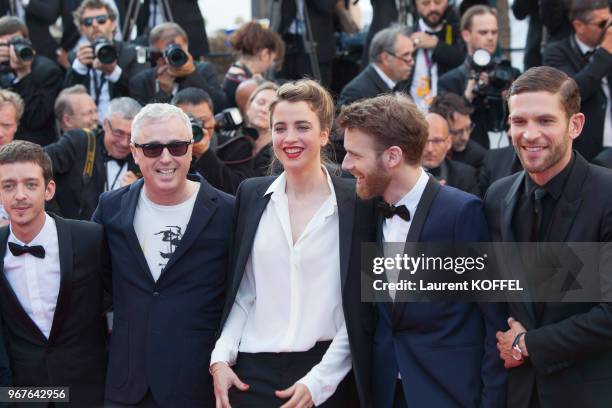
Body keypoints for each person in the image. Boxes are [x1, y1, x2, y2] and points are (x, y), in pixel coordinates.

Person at [209, 79, 374, 407]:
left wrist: (320, 380)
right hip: (251, 375)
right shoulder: (252, 194)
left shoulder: (357, 201)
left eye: (302, 126)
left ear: (324, 133)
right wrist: (220, 360)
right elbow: (245, 293)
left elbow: (359, 306)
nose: (290, 138)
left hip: (329, 374)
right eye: (280, 128)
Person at [338, 92, 507, 407]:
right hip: (385, 392)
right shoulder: (366, 211)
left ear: (392, 157)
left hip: (448, 392)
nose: (346, 165)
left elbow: (493, 319)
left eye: (354, 155)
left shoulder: (461, 212)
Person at [485, 66, 612, 408]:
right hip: (519, 393)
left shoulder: (607, 195)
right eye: (518, 121)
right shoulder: (497, 197)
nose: (529, 134)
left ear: (576, 125)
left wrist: (528, 345)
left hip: (590, 394)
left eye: (545, 121)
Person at [93, 103, 234, 406]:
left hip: (198, 384)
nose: (166, 158)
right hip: (128, 385)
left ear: (191, 149)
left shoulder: (228, 211)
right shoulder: (110, 208)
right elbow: (94, 281)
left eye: (177, 146)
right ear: (134, 152)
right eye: (153, 149)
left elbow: (244, 293)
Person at [0, 140, 108, 406]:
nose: (20, 195)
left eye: (31, 184)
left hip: (89, 392)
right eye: (8, 186)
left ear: (49, 189)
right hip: (23, 397)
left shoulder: (90, 239)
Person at [45, 96, 141, 220]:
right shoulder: (80, 142)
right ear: (105, 124)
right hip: (73, 234)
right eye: (118, 133)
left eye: (131, 136)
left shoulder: (143, 157)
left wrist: (138, 193)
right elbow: (36, 165)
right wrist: (56, 219)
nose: (124, 143)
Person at [438, 5, 520, 149]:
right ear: (466, 35)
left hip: (509, 153)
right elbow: (446, 127)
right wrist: (466, 98)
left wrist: (511, 102)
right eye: (483, 32)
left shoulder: (512, 74)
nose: (490, 37)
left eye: (494, 32)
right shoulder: (449, 81)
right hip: (470, 157)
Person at [543, 0, 612, 161]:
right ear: (579, 26)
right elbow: (572, 92)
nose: (608, 29)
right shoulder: (556, 52)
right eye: (602, 24)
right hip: (585, 150)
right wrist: (606, 51)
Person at [64, 0, 146, 122]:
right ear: (81, 29)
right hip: (87, 129)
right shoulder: (76, 57)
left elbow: (141, 96)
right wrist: (78, 68)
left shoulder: (132, 53)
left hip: (123, 127)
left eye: (101, 19)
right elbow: (65, 100)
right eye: (87, 22)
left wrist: (113, 72)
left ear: (113, 24)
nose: (95, 25)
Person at [171, 87, 254, 194]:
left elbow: (239, 191)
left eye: (202, 120)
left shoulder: (236, 146)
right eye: (188, 121)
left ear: (214, 120)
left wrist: (205, 154)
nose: (196, 127)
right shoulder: (164, 149)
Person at [129, 22, 227, 112]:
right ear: (153, 54)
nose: (170, 59)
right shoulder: (140, 81)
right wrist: (163, 93)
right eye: (163, 54)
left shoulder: (204, 70)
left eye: (177, 51)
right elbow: (141, 121)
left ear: (187, 48)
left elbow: (219, 106)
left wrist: (192, 74)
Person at [0, 16, 62, 146]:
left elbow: (36, 120)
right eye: (5, 45)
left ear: (27, 42)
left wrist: (24, 74)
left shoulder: (47, 71)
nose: (11, 50)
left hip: (32, 148)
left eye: (15, 43)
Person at [408, 0, 465, 113]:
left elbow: (464, 60)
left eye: (438, 2)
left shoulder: (459, 32)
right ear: (415, 5)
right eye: (425, 3)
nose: (432, 8)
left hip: (448, 113)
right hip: (412, 115)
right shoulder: (405, 35)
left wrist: (436, 45)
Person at [338, 25, 414, 108]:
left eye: (411, 55)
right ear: (385, 58)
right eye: (406, 55)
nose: (412, 62)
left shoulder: (399, 83)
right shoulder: (357, 93)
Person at [223, 21, 284, 108]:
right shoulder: (247, 85)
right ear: (265, 54)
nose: (271, 64)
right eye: (273, 59)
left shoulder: (235, 75)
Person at [422, 112, 480, 195]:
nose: (429, 148)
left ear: (448, 142)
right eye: (424, 140)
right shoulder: (401, 176)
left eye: (437, 141)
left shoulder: (466, 176)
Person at [429, 92, 486, 170]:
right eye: (457, 132)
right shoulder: (425, 152)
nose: (465, 138)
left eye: (469, 128)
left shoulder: (478, 157)